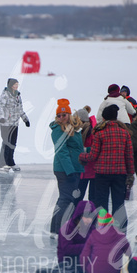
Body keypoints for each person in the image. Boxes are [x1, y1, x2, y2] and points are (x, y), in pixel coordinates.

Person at [79, 104, 134, 231]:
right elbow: (129, 156)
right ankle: (120, 230)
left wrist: (81, 156)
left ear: (104, 118)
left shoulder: (100, 134)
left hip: (102, 174)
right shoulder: (125, 134)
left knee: (102, 204)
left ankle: (102, 229)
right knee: (119, 203)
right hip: (120, 174)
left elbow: (92, 156)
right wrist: (130, 173)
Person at [48, 99, 84, 236]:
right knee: (66, 199)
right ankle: (60, 230)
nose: (62, 118)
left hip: (73, 167)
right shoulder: (57, 130)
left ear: (69, 114)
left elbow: (76, 148)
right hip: (65, 169)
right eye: (59, 115)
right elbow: (62, 151)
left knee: (63, 198)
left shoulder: (74, 128)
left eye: (64, 115)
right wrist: (70, 171)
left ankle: (55, 229)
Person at [80, 209, 131, 273]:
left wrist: (84, 269)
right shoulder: (121, 236)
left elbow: (84, 255)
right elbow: (129, 253)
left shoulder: (93, 234)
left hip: (93, 272)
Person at [0, 78, 30, 171]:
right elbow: (0, 107)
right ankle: (3, 164)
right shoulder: (5, 95)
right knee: (6, 143)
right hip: (5, 123)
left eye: (17, 84)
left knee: (13, 143)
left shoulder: (18, 95)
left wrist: (25, 119)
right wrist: (2, 118)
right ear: (11, 85)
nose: (16, 86)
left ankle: (10, 162)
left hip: (14, 123)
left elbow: (20, 109)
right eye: (15, 84)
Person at [57, 200, 97, 273]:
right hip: (68, 260)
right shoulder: (67, 228)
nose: (88, 220)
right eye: (85, 217)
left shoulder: (91, 228)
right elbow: (66, 249)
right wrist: (87, 247)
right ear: (79, 216)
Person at [74, 106, 96, 203]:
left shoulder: (92, 132)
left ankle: (92, 217)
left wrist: (84, 150)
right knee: (77, 198)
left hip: (91, 169)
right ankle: (75, 217)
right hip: (81, 170)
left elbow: (96, 149)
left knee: (93, 198)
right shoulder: (77, 131)